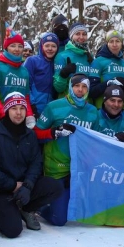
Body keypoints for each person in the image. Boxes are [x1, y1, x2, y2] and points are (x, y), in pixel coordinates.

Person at [0, 92, 64, 237]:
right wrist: (12, 185)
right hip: (3, 189)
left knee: (55, 186)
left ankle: (26, 208)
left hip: (24, 186)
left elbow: (36, 162)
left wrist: (27, 185)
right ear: (7, 109)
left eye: (22, 108)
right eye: (14, 108)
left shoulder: (30, 134)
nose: (19, 113)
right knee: (12, 231)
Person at [34, 74, 99, 226]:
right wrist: (53, 133)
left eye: (84, 87)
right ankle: (40, 206)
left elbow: (95, 141)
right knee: (60, 219)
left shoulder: (92, 111)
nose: (80, 90)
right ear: (70, 87)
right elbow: (35, 134)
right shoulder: (54, 106)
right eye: (77, 86)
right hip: (56, 169)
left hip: (78, 171)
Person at [0, 32, 35, 127]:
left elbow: (26, 97)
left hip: (19, 118)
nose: (17, 49)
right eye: (13, 46)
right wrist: (4, 116)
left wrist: (29, 116)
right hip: (0, 120)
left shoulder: (24, 70)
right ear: (6, 48)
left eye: (20, 46)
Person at [89, 30, 124, 112]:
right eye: (111, 41)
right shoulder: (98, 61)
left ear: (121, 43)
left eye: (117, 41)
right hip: (103, 109)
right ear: (107, 43)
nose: (114, 44)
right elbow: (92, 91)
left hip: (123, 109)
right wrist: (109, 83)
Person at [53, 21, 96, 100]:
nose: (81, 37)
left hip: (86, 105)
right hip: (67, 105)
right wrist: (63, 75)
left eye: (84, 34)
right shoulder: (62, 56)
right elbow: (58, 88)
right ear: (71, 36)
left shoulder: (89, 57)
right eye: (77, 34)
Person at [24, 32, 59, 116]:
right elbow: (25, 85)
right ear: (41, 46)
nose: (50, 49)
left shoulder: (57, 63)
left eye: (53, 46)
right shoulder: (32, 61)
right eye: (47, 45)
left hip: (51, 111)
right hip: (33, 108)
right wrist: (32, 105)